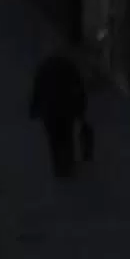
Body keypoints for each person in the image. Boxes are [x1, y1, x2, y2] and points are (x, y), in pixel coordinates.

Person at [28, 48, 90, 179]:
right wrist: (81, 108)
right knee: (66, 137)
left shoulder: (43, 68)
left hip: (49, 110)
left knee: (54, 140)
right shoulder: (68, 66)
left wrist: (34, 108)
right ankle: (68, 163)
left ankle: (58, 166)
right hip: (66, 108)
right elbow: (78, 86)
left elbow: (37, 88)